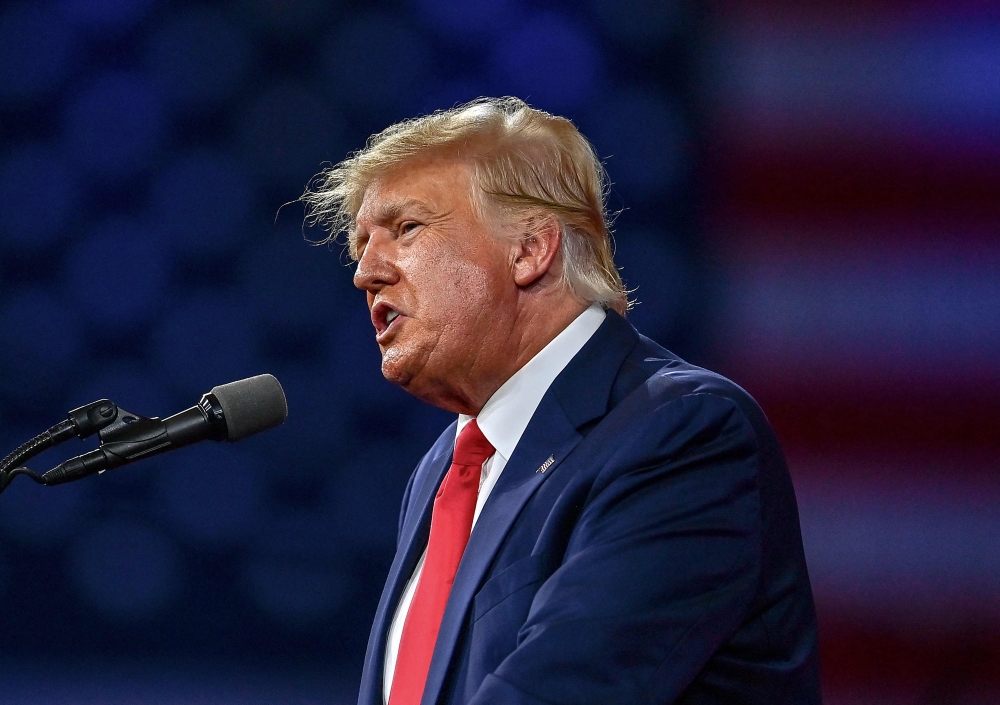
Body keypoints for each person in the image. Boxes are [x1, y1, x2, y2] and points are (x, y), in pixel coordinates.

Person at [300, 97, 820, 705]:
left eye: (406, 228)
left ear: (530, 249)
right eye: (361, 245)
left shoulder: (682, 432)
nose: (365, 272)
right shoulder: (446, 468)